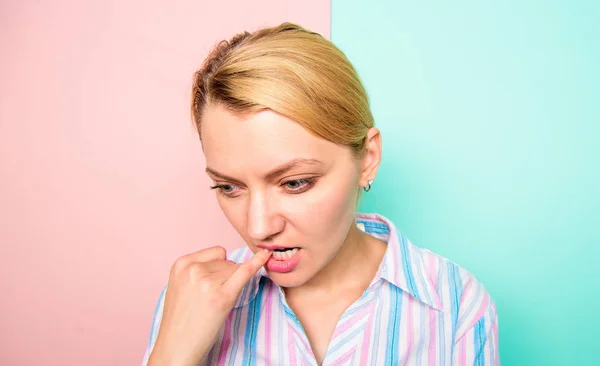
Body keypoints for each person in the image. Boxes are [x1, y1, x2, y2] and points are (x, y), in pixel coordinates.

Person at [142, 23, 499, 366]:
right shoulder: (191, 301)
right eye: (229, 187)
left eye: (295, 182)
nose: (259, 227)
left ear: (367, 159)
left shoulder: (455, 305)